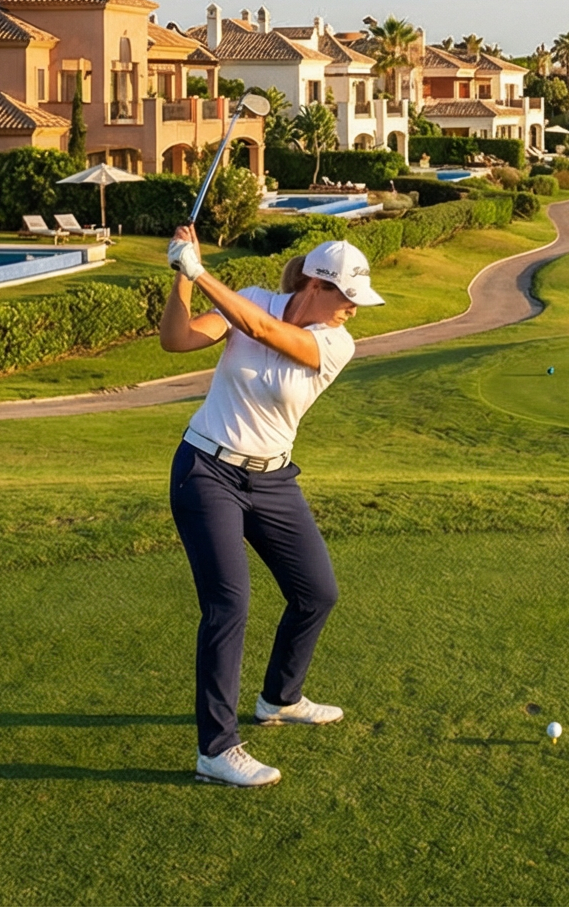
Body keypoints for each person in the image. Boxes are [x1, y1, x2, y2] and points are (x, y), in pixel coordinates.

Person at [159, 225, 386, 788]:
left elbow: (261, 329)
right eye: (347, 297)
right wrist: (183, 278)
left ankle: (280, 698)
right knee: (229, 605)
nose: (353, 310)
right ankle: (216, 749)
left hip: (273, 480)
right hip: (206, 470)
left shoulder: (336, 344)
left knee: (317, 593)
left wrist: (201, 272)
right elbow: (177, 340)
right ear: (315, 284)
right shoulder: (253, 298)